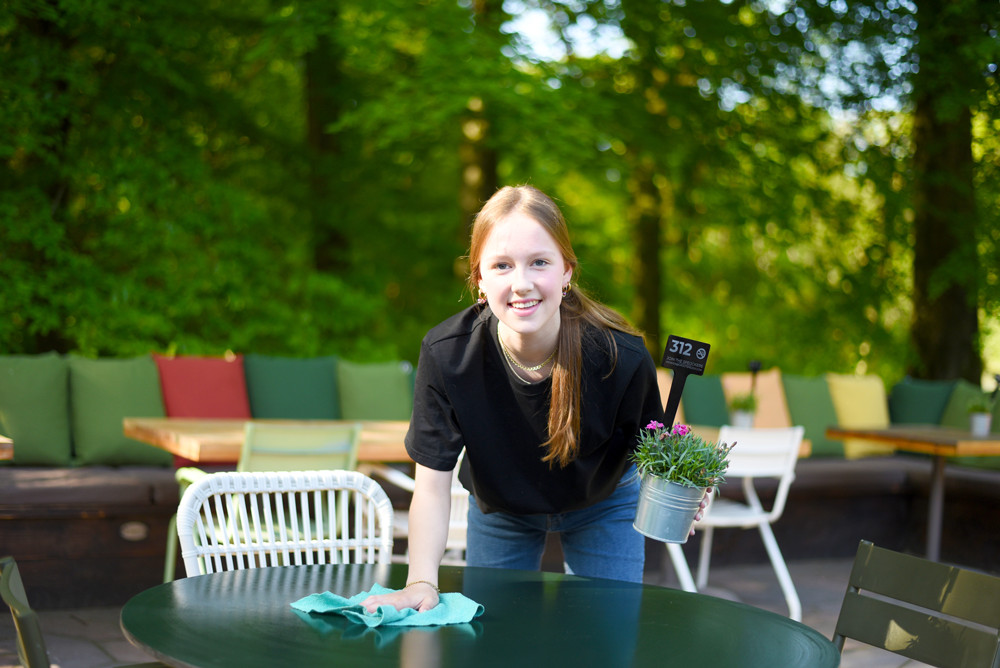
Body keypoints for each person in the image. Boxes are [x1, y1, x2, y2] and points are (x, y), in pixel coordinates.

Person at [363, 184, 696, 613]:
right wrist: (421, 581)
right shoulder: (447, 355)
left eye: (539, 262)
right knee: (497, 636)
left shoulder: (620, 356)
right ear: (479, 279)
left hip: (603, 503)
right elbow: (431, 485)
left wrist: (683, 484)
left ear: (566, 272)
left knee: (608, 638)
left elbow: (653, 449)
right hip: (501, 510)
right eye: (502, 265)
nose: (521, 283)